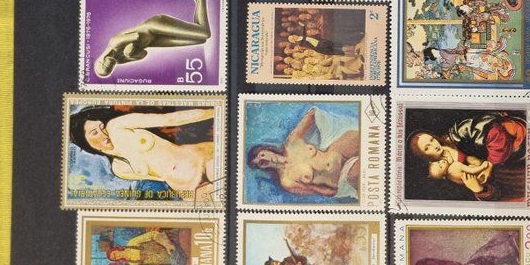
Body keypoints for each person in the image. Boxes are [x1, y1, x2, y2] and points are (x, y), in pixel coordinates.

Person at [69, 105, 216, 201]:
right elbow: (160, 178)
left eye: (101, 127)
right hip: (189, 188)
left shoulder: (118, 126)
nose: (103, 134)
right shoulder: (119, 169)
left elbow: (170, 119)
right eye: (94, 133)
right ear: (86, 143)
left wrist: (214, 112)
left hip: (200, 159)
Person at [247, 106, 360, 199]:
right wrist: (333, 189)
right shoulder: (287, 181)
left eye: (262, 155)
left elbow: (312, 114)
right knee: (359, 172)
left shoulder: (291, 143)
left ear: (267, 150)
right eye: (261, 163)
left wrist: (326, 137)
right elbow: (317, 190)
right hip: (342, 175)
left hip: (337, 151)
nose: (265, 159)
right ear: (264, 168)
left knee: (363, 138)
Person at [93, 0, 211, 78]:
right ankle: (199, 0)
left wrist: (129, 51)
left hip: (153, 26)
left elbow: (137, 36)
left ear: (101, 60)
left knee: (205, 34)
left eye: (105, 66)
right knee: (200, 40)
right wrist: (131, 54)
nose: (110, 66)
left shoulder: (114, 43)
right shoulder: (120, 60)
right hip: (154, 41)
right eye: (110, 69)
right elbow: (143, 54)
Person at [106, 229, 188, 265]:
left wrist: (167, 245)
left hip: (170, 247)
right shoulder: (132, 263)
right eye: (115, 258)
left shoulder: (132, 243)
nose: (117, 256)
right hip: (170, 261)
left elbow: (153, 235)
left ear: (116, 250)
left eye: (115, 254)